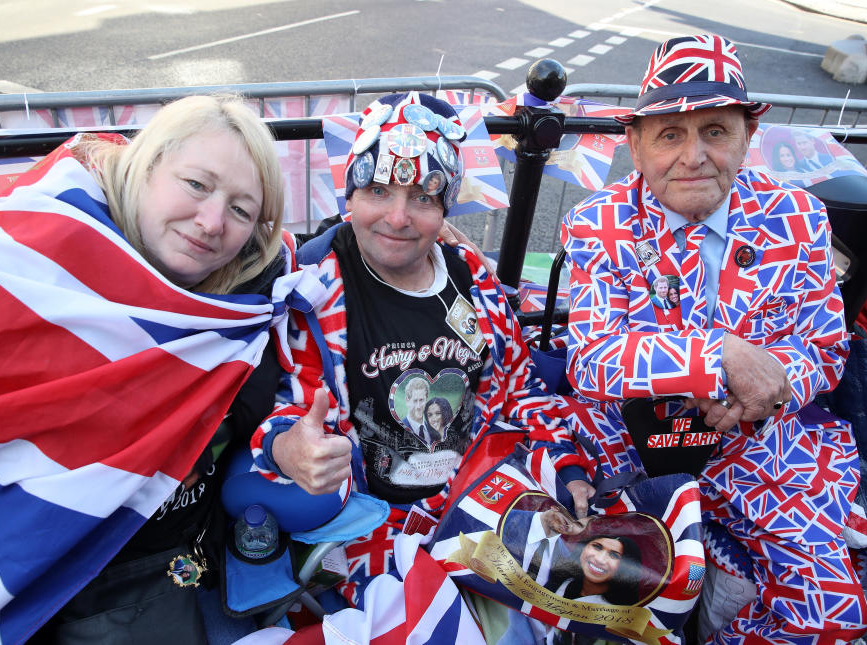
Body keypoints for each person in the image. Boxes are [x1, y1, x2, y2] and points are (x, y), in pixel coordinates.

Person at [0, 94, 324, 645]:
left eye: (240, 209)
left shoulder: (248, 303)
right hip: (45, 575)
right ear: (147, 164)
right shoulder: (32, 266)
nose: (212, 222)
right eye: (196, 184)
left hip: (180, 565)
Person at [248, 91, 598, 634]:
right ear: (350, 195)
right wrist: (285, 446)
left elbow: (521, 392)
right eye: (378, 190)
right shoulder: (316, 290)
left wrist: (569, 471)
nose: (397, 217)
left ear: (445, 208)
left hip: (482, 511)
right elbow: (288, 411)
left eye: (422, 197)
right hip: (367, 533)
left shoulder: (471, 281)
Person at [561, 34, 867, 643]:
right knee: (611, 612)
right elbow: (591, 361)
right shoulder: (600, 222)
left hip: (764, 451)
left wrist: (772, 386)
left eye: (716, 131)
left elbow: (827, 351)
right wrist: (718, 358)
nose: (694, 156)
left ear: (748, 137)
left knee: (828, 614)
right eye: (670, 134)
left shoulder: (797, 217)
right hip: (631, 446)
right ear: (636, 145)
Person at [558, 534, 642, 606]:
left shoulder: (621, 614)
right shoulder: (560, 582)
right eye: (597, 547)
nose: (599, 559)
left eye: (614, 555)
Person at [401, 375, 431, 443]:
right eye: (415, 401)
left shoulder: (432, 430)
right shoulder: (400, 427)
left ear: (427, 400)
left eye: (421, 400)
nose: (418, 406)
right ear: (407, 401)